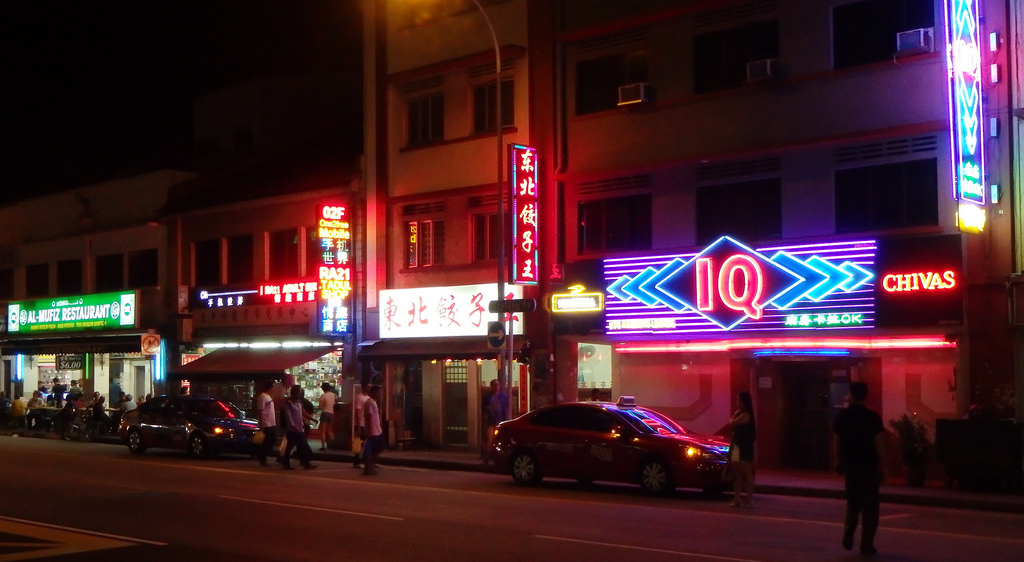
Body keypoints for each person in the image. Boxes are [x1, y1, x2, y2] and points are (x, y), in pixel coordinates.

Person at [833, 381, 886, 557]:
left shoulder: (843, 416)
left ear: (852, 395)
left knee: (853, 502)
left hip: (851, 465)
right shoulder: (873, 418)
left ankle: (849, 530)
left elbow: (837, 442)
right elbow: (879, 445)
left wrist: (838, 460)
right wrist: (882, 467)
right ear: (866, 395)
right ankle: (867, 544)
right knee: (871, 507)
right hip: (869, 466)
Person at [728, 390, 756, 508]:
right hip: (736, 446)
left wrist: (734, 415)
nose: (737, 402)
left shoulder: (745, 415)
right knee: (736, 472)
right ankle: (737, 498)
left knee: (746, 471)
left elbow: (732, 423)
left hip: (743, 446)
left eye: (739, 399)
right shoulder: (740, 413)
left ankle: (748, 499)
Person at [279, 385, 316, 470]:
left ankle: (306, 463)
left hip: (300, 428)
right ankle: (286, 463)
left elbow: (302, 413)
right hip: (292, 430)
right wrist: (293, 426)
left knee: (302, 446)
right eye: (299, 392)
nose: (300, 394)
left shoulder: (299, 403)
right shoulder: (288, 404)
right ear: (294, 393)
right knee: (290, 446)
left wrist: (311, 419)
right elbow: (288, 417)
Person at [254, 381, 278, 467]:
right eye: (273, 387)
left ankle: (261, 454)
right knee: (268, 440)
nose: (274, 388)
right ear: (270, 387)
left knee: (272, 440)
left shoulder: (268, 396)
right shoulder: (262, 396)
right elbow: (260, 410)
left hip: (271, 422)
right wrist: (261, 423)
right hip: (266, 422)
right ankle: (261, 456)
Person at [362, 385, 384, 475]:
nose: (380, 395)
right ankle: (368, 467)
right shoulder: (371, 402)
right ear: (374, 393)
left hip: (376, 429)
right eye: (379, 393)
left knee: (377, 448)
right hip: (373, 430)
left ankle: (370, 466)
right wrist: (369, 430)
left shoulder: (371, 402)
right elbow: (369, 416)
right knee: (373, 449)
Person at [353, 386, 370, 468]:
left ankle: (362, 459)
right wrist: (359, 426)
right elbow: (357, 412)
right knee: (359, 443)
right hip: (361, 423)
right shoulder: (360, 398)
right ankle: (357, 460)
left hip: (366, 423)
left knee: (364, 443)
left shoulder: (368, 397)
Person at [318, 382, 337, 452]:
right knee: (329, 431)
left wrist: (322, 408)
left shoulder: (323, 395)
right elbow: (336, 402)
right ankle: (334, 444)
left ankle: (323, 446)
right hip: (331, 413)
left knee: (322, 431)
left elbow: (320, 405)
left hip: (325, 413)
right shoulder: (334, 395)